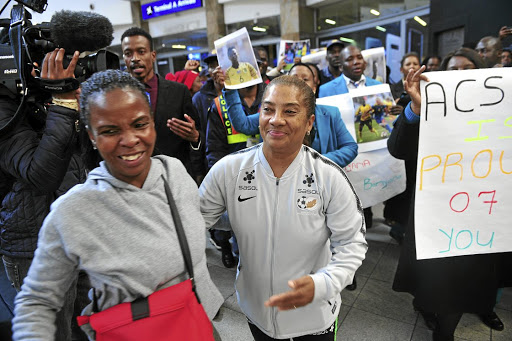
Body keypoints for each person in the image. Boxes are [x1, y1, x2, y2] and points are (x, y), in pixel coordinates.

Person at [12, 70, 224, 340]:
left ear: (152, 123)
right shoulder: (74, 209)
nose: (130, 140)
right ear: (91, 135)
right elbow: (37, 300)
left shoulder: (174, 172)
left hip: (195, 323)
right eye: (110, 131)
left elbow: (202, 214)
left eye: (139, 124)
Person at [199, 75, 367, 340]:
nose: (276, 119)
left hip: (314, 317)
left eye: (290, 111)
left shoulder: (328, 176)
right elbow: (195, 223)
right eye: (268, 109)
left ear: (310, 122)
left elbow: (352, 243)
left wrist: (324, 283)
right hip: (257, 312)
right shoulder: (228, 170)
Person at [390, 48, 512, 340]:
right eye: (452, 71)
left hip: (482, 214)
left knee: (469, 281)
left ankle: (447, 327)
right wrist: (416, 110)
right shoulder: (427, 107)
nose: (460, 77)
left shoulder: (502, 110)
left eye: (467, 69)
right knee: (435, 277)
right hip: (437, 214)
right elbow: (397, 148)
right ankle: (432, 314)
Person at [0, 47, 92, 340]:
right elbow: (41, 174)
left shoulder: (45, 97)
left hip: (77, 234)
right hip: (34, 247)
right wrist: (63, 103)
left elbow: (80, 156)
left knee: (89, 327)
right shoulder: (6, 106)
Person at [223, 63, 358, 169]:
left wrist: (316, 162)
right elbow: (243, 125)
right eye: (293, 79)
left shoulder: (330, 114)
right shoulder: (272, 115)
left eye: (305, 79)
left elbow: (350, 148)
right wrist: (230, 88)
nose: (298, 84)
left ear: (315, 86)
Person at [121, 27, 204, 182]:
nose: (135, 58)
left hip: (174, 180)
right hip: (132, 182)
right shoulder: (117, 97)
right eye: (128, 53)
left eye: (141, 51)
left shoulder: (178, 92)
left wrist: (195, 137)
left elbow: (198, 136)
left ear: (153, 56)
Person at [206, 67, 265, 268]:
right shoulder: (220, 104)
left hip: (266, 177)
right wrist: (221, 181)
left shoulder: (273, 98)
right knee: (237, 226)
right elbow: (214, 147)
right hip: (235, 177)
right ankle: (231, 252)